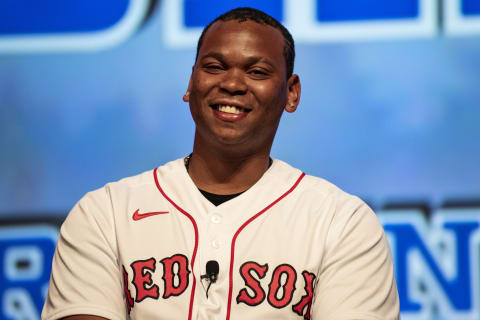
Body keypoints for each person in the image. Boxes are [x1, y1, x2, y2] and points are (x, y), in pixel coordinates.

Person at [42, 7, 399, 320]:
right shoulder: (105, 214)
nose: (231, 83)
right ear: (191, 82)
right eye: (214, 67)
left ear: (291, 93)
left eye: (257, 72)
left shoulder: (342, 223)